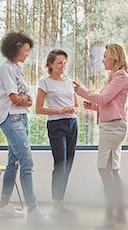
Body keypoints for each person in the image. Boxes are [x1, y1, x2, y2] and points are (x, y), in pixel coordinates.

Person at [0, 32, 51, 224]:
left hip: (21, 118)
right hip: (11, 119)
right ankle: (33, 209)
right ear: (16, 48)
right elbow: (14, 98)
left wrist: (25, 100)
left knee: (14, 163)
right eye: (25, 50)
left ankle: (3, 207)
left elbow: (26, 98)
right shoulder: (6, 69)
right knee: (27, 161)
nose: (27, 54)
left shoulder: (17, 69)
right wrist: (25, 100)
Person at [74, 43, 128, 229]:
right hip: (113, 125)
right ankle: (119, 213)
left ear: (114, 58)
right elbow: (110, 103)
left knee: (104, 170)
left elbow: (104, 98)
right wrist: (94, 107)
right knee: (113, 170)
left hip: (112, 127)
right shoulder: (115, 77)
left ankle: (109, 216)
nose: (103, 59)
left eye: (105, 56)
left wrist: (81, 91)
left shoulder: (120, 76)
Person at [35, 49, 78, 217]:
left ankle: (61, 204)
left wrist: (71, 109)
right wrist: (60, 111)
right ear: (51, 65)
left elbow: (75, 104)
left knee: (68, 164)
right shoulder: (44, 83)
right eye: (59, 63)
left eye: (65, 63)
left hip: (72, 123)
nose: (63, 66)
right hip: (56, 125)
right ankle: (56, 205)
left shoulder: (70, 82)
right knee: (60, 163)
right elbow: (38, 109)